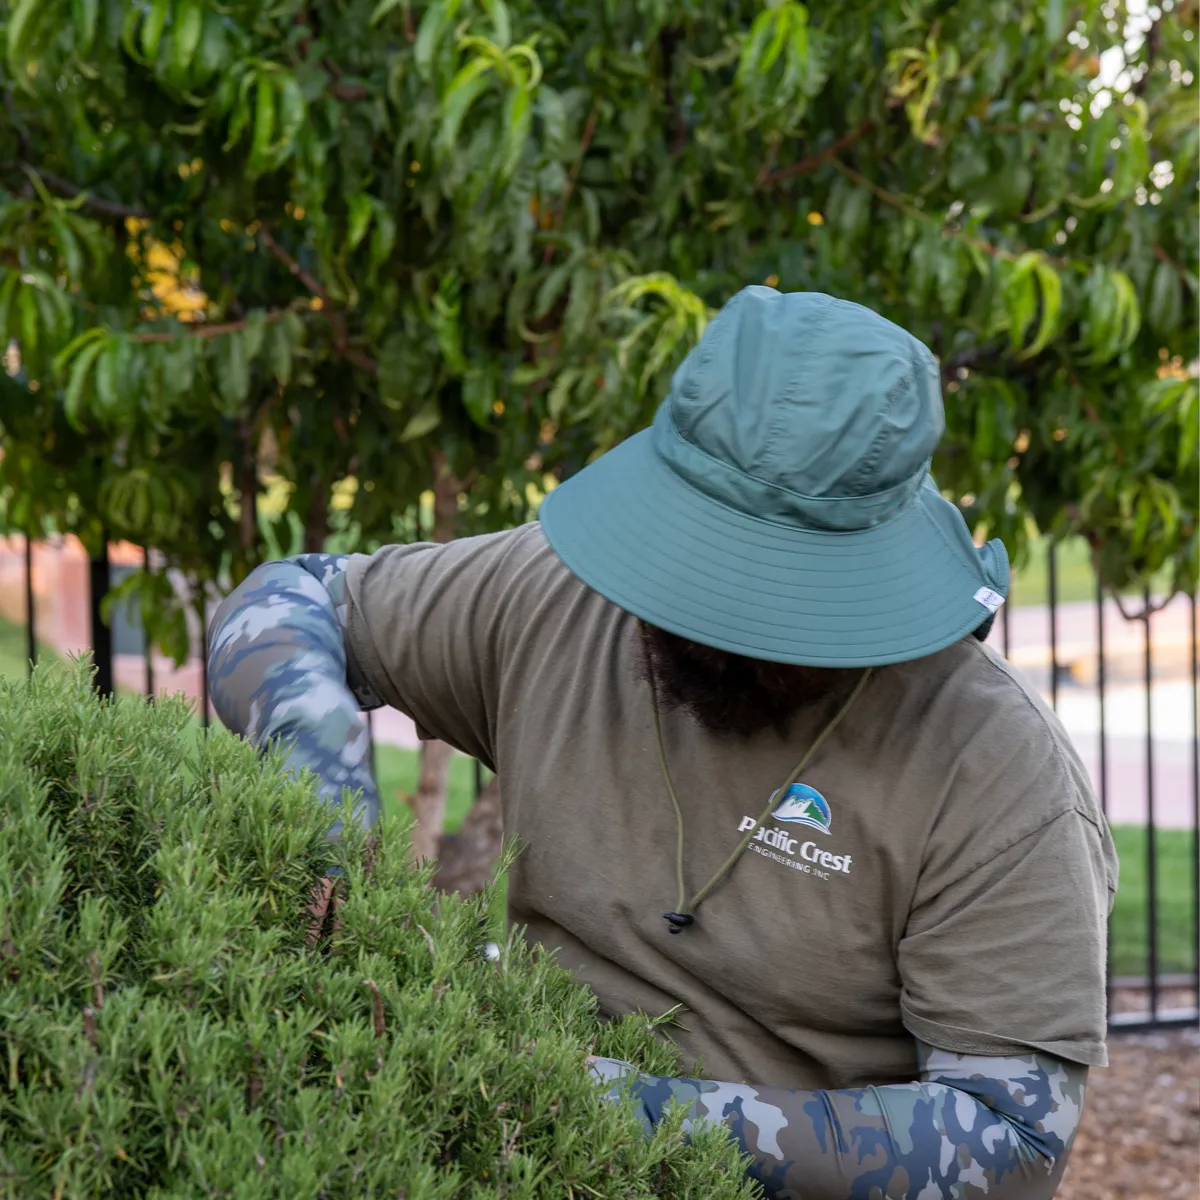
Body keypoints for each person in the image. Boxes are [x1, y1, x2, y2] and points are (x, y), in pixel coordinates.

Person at [208, 288, 1116, 1199]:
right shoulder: (555, 597)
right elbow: (290, 602)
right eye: (697, 566)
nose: (716, 617)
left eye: (781, 595)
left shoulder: (997, 773)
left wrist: (617, 1111)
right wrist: (321, 791)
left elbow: (1009, 1143)